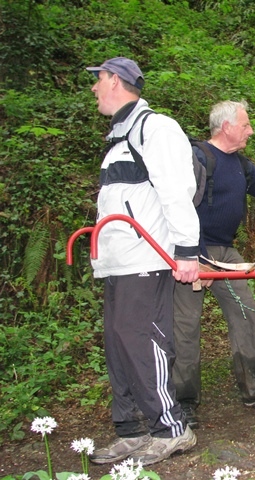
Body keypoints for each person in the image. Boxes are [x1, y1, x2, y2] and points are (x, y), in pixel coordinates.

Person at [85, 57, 198, 466]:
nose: (94, 88)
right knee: (118, 343)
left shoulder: (156, 128)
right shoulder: (118, 136)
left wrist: (186, 251)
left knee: (142, 340)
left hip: (146, 257)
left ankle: (171, 428)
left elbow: (176, 191)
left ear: (115, 80)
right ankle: (131, 429)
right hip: (117, 260)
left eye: (98, 81)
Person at [172, 100, 255, 426]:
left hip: (227, 255)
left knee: (246, 314)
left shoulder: (242, 165)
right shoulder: (197, 158)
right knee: (185, 327)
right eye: (246, 125)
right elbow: (181, 206)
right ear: (227, 126)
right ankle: (183, 403)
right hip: (192, 253)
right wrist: (195, 254)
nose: (251, 131)